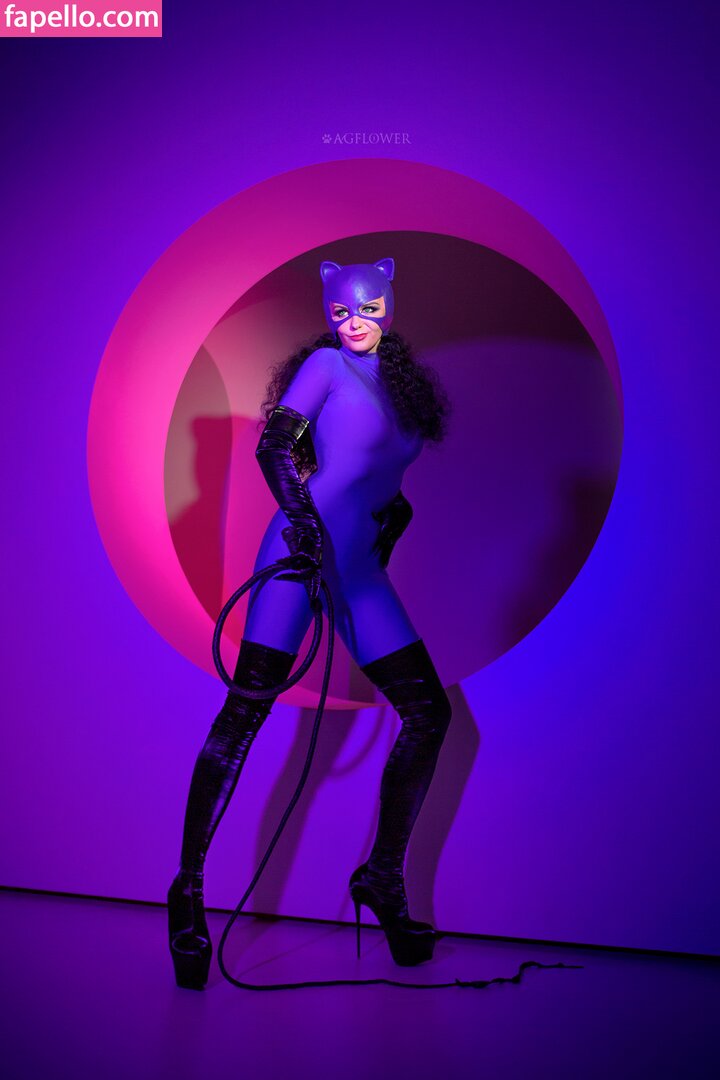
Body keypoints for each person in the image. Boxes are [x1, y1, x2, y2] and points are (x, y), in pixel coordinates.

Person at [168, 258, 453, 989]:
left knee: (429, 713)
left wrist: (394, 516)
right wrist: (302, 522)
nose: (354, 322)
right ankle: (187, 891)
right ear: (328, 311)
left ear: (389, 303)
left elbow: (384, 474)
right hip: (300, 554)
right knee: (244, 715)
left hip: (358, 569)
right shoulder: (327, 366)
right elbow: (274, 447)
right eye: (341, 311)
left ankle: (381, 877)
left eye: (368, 308)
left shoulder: (400, 383)